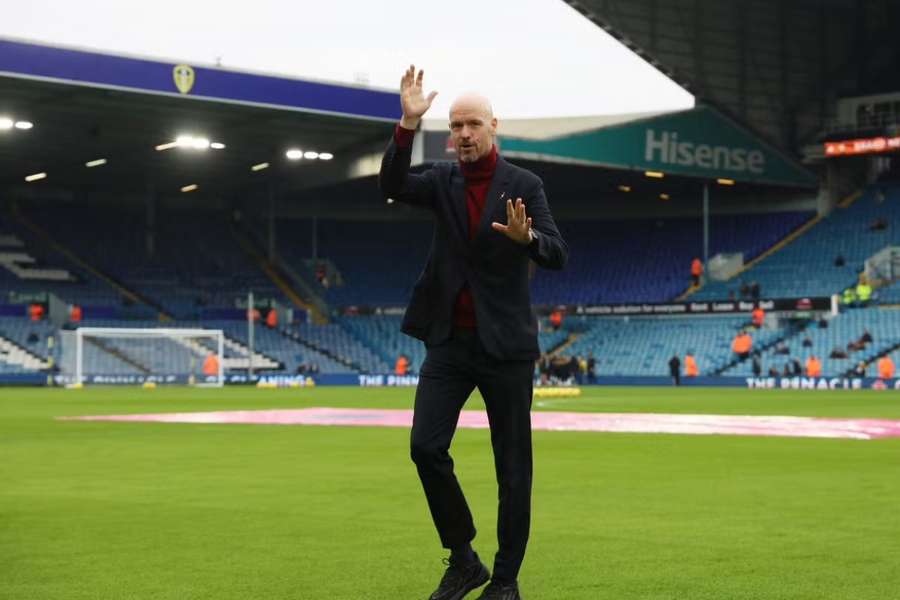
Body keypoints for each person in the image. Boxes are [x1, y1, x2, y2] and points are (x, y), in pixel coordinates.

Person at [380, 66, 567, 600]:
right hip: (449, 342)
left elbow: (558, 252)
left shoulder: (524, 185)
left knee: (512, 467)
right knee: (425, 447)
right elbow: (391, 184)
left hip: (505, 347)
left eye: (472, 124)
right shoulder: (442, 180)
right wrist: (407, 125)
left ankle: (505, 581)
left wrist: (527, 237)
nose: (463, 134)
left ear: (492, 127)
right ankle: (463, 558)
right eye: (455, 125)